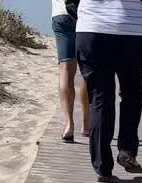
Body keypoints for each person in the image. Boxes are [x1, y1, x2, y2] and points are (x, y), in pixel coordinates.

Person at [76, 0, 142, 181]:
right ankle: (127, 150)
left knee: (100, 98)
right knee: (131, 96)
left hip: (91, 30)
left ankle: (102, 166)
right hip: (129, 31)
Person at [51, 0, 90, 142]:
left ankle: (69, 124)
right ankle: (87, 124)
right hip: (85, 14)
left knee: (65, 69)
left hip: (61, 14)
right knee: (87, 69)